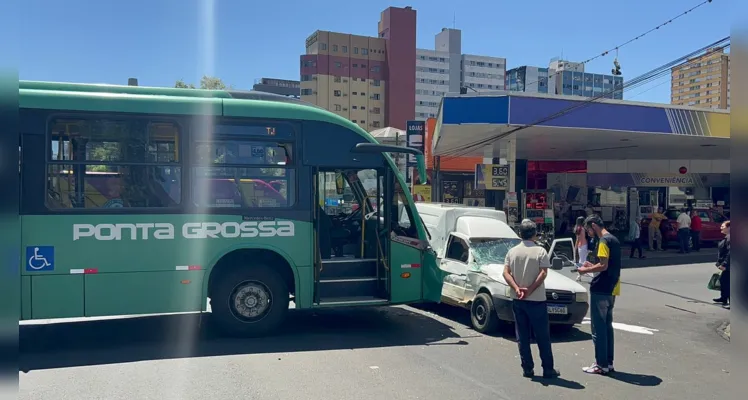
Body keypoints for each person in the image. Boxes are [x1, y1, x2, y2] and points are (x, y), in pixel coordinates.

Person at [503, 219, 561, 379]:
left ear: (520, 234)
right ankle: (548, 369)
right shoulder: (540, 251)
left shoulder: (512, 252)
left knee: (522, 336)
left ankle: (527, 368)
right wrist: (530, 289)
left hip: (518, 299)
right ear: (534, 234)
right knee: (542, 336)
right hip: (536, 300)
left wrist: (516, 288)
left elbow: (506, 273)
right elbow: (543, 273)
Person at [577, 215, 621, 375]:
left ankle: (600, 364)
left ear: (594, 226)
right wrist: (592, 265)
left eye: (588, 229)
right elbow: (607, 264)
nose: (588, 233)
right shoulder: (614, 240)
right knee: (607, 327)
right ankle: (608, 362)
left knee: (598, 328)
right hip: (611, 288)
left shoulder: (603, 241)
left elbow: (603, 265)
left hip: (600, 288)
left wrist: (585, 270)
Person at [713, 220, 730, 309]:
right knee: (723, 281)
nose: (721, 227)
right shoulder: (727, 237)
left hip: (730, 266)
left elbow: (730, 253)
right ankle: (723, 298)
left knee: (729, 283)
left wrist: (724, 264)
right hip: (727, 265)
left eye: (723, 226)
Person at [573, 216, 592, 282]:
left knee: (582, 260)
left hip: (580, 245)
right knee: (583, 260)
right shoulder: (584, 229)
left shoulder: (578, 229)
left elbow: (577, 239)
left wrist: (575, 247)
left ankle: (580, 274)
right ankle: (582, 273)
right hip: (584, 245)